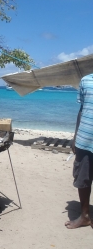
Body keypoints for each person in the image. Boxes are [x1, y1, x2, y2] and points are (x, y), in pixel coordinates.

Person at [65, 73, 93, 229]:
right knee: (83, 179)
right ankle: (85, 216)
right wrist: (75, 137)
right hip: (85, 138)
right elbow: (82, 109)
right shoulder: (86, 80)